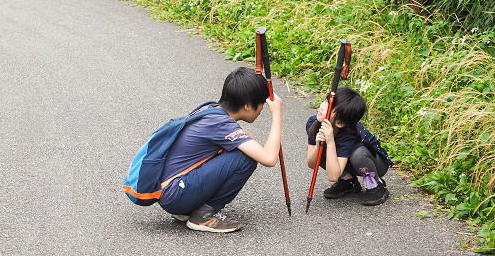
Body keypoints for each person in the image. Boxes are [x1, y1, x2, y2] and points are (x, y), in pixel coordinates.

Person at [158, 67, 283, 233]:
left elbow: (250, 142)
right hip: (176, 194)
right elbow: (268, 158)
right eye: (261, 104)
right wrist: (277, 115)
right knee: (245, 159)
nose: (262, 109)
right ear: (247, 106)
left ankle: (190, 208)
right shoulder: (222, 126)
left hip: (171, 191)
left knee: (242, 150)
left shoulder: (212, 110)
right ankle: (203, 215)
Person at [306, 87, 390, 206]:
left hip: (375, 163)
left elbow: (332, 176)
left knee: (358, 155)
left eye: (331, 107)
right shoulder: (313, 124)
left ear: (340, 123)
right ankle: (348, 182)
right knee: (324, 149)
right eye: (326, 101)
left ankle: (375, 185)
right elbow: (311, 164)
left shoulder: (348, 134)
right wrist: (317, 147)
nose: (323, 106)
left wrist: (330, 142)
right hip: (347, 162)